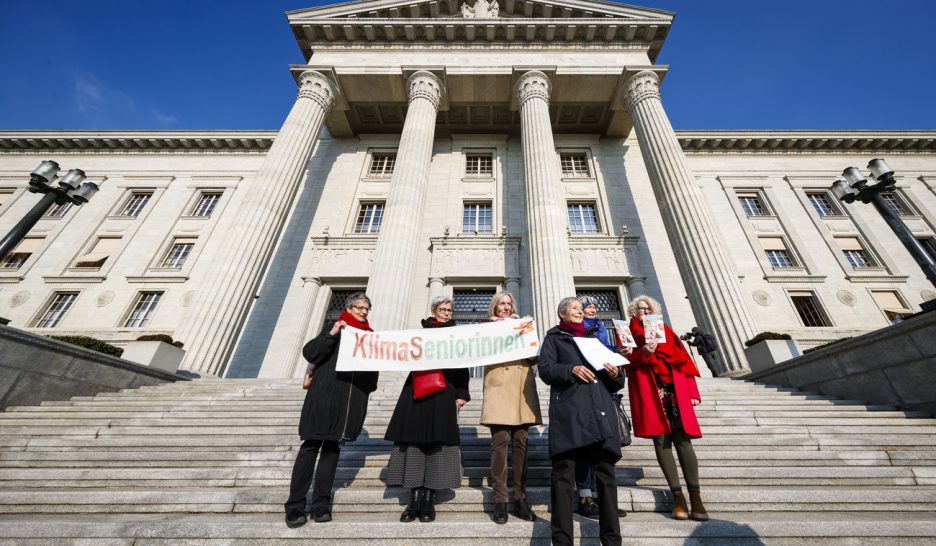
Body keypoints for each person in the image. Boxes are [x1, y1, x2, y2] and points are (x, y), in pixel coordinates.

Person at [284, 292, 380, 528]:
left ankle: (321, 505)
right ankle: (295, 506)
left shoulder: (369, 336)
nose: (363, 311)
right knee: (309, 450)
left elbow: (373, 373)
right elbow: (311, 353)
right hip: (323, 398)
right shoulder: (335, 328)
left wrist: (364, 392)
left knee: (331, 453)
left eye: (367, 308)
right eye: (359, 307)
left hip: (347, 403)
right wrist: (332, 334)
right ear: (349, 307)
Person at [538, 296, 626, 546]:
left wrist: (616, 373)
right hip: (571, 414)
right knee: (563, 478)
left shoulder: (593, 339)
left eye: (580, 308)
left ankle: (611, 540)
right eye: (574, 308)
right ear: (562, 314)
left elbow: (615, 382)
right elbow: (545, 369)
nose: (579, 311)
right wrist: (570, 370)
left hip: (600, 413)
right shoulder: (554, 338)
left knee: (607, 478)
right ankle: (562, 541)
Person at [384, 296, 470, 523]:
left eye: (449, 310)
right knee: (414, 444)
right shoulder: (418, 334)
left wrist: (462, 394)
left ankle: (429, 499)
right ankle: (414, 500)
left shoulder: (457, 335)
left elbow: (463, 368)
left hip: (445, 393)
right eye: (442, 309)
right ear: (433, 311)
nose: (446, 313)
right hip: (417, 392)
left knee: (437, 445)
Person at [625, 295, 708, 521]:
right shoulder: (627, 333)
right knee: (661, 442)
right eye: (640, 309)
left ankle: (696, 497)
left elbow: (682, 360)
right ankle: (678, 497)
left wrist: (692, 392)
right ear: (633, 312)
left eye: (647, 308)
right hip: (649, 390)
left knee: (683, 439)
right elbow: (624, 361)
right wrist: (644, 352)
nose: (644, 311)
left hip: (674, 389)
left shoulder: (666, 330)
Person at [481, 291, 542, 524]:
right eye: (501, 304)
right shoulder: (486, 328)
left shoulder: (523, 326)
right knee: (499, 445)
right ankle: (499, 499)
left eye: (508, 304)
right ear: (494, 307)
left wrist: (529, 332)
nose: (505, 307)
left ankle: (520, 498)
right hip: (499, 388)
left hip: (521, 390)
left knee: (521, 446)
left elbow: (535, 357)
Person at [575, 295, 627, 520]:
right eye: (588, 307)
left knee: (605, 449)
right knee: (585, 449)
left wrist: (619, 357)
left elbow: (607, 356)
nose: (593, 309)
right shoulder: (575, 331)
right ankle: (585, 496)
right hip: (585, 393)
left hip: (606, 392)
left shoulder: (602, 329)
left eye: (595, 306)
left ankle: (605, 499)